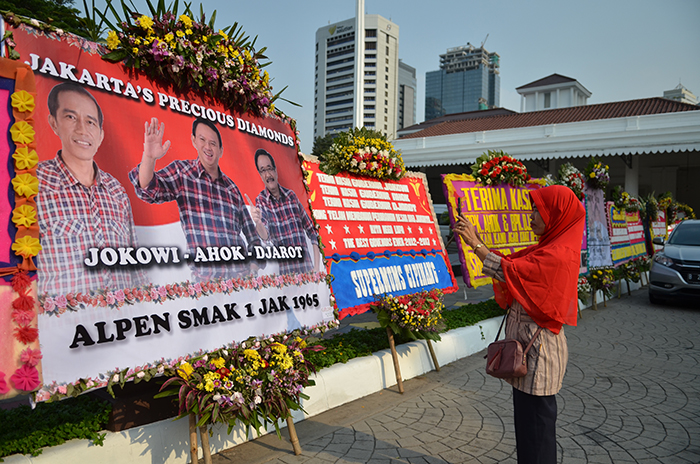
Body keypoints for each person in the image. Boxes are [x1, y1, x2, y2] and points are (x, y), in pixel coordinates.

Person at [454, 185, 585, 464]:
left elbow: (510, 270)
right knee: (529, 431)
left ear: (556, 214)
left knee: (536, 433)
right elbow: (512, 264)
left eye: (538, 209)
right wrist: (478, 242)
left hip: (539, 355)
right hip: (530, 353)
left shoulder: (557, 255)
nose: (532, 215)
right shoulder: (547, 248)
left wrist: (475, 244)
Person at [37, 82, 143, 296]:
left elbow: (136, 265)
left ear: (101, 135)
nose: (82, 130)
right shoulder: (34, 183)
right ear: (53, 122)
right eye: (70, 117)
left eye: (90, 122)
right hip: (64, 326)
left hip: (122, 324)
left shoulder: (116, 191)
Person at [129, 117, 262, 280]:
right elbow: (148, 190)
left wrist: (253, 270)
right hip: (205, 284)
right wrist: (149, 158)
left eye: (213, 143)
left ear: (220, 150)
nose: (208, 147)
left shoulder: (232, 188)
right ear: (194, 141)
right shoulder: (182, 172)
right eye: (202, 140)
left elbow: (253, 238)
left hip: (241, 282)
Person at [250, 149, 320, 275]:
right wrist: (258, 222)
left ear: (276, 171)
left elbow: (312, 231)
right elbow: (265, 236)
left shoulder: (291, 196)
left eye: (269, 168)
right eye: (263, 170)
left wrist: (316, 268)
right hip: (287, 281)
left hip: (308, 274)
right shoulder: (261, 201)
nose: (268, 174)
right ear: (260, 175)